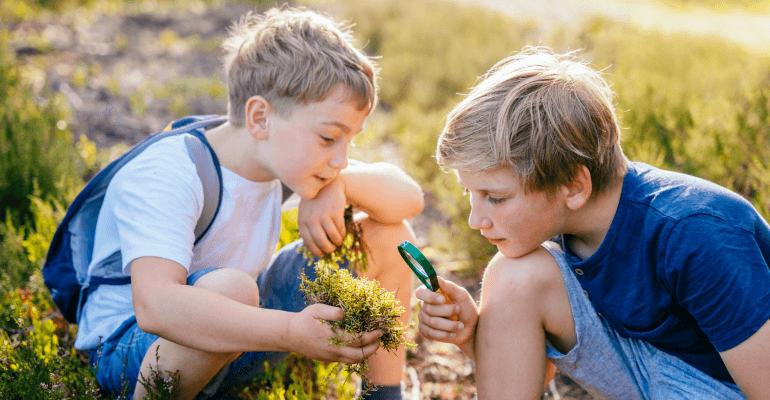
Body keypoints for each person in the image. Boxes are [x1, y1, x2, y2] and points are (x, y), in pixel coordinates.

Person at [74, 6, 424, 400]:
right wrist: (292, 332)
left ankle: (383, 395)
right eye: (329, 138)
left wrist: (339, 185)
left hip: (237, 336)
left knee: (390, 235)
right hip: (136, 352)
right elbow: (155, 306)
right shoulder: (172, 171)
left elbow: (408, 198)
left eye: (351, 140)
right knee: (232, 289)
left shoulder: (278, 155)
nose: (340, 157)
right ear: (259, 118)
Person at [416, 45, 770, 399]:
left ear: (573, 185)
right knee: (513, 276)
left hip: (727, 386)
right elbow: (524, 376)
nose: (475, 219)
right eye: (469, 193)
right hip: (658, 369)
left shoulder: (695, 233)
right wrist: (472, 334)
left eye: (495, 198)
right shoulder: (573, 223)